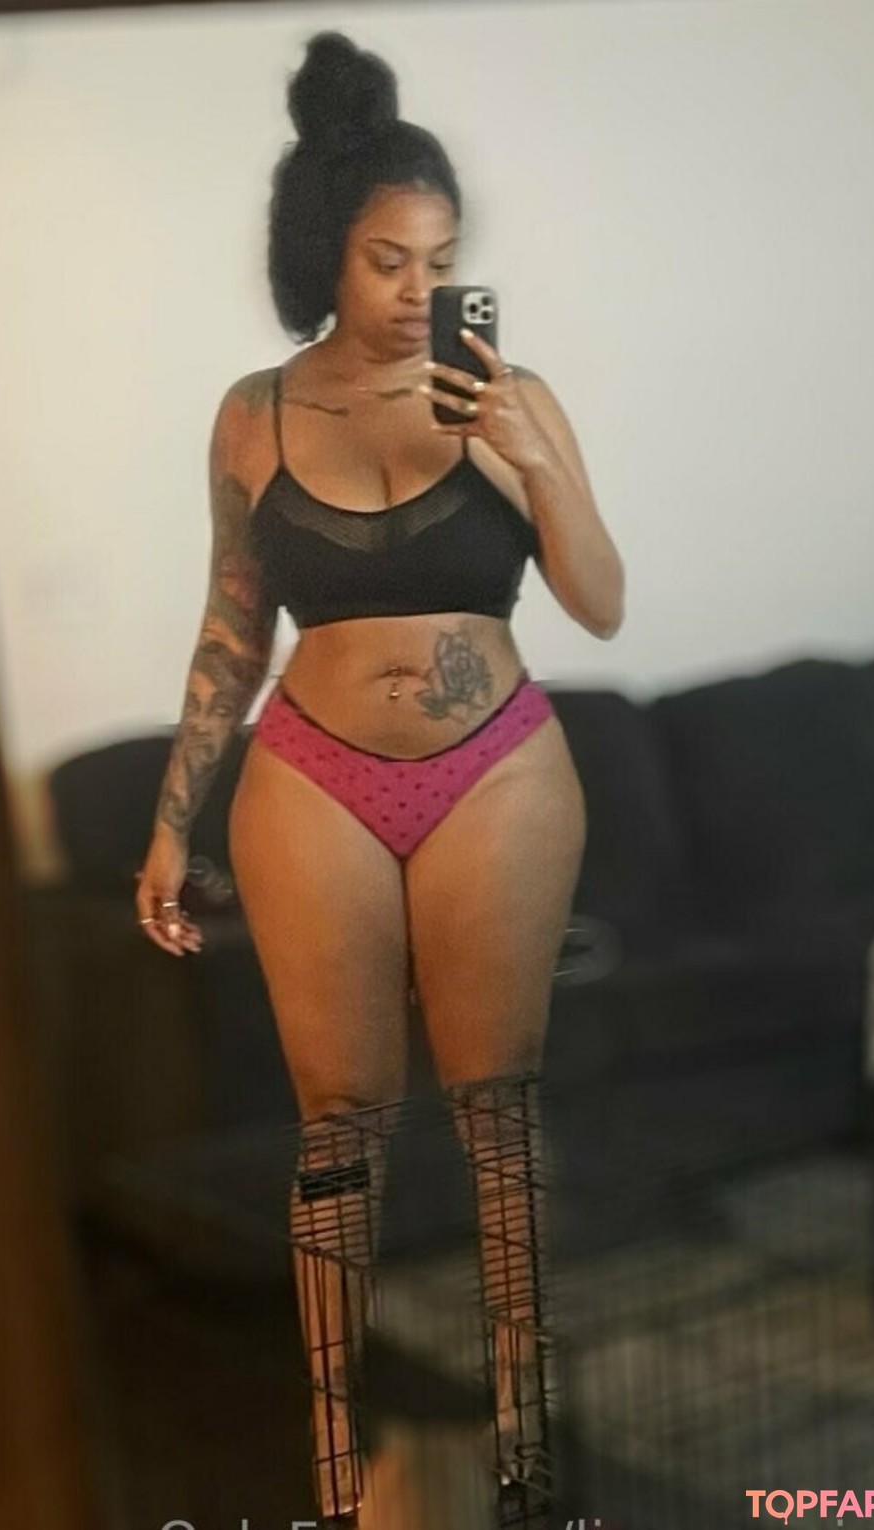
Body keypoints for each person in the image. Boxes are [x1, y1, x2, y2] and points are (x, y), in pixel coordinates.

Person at [134, 29, 624, 1528]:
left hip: (500, 773)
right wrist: (171, 822)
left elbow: (601, 601)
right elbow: (231, 628)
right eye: (389, 261)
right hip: (311, 781)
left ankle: (526, 1451)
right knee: (339, 1122)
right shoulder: (253, 412)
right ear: (323, 258)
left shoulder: (509, 393)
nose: (421, 291)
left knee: (498, 1114)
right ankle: (338, 1467)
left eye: (443, 262)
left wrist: (534, 454)